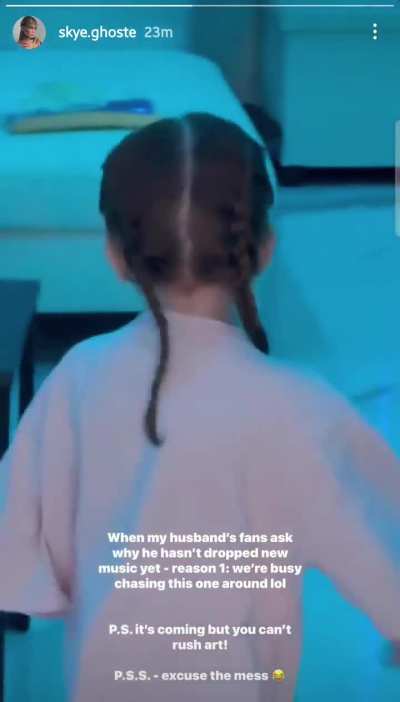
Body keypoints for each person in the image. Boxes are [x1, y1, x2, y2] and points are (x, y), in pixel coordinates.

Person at [0, 113, 399, 702]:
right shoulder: (303, 408)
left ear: (116, 255)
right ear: (263, 251)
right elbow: (382, 546)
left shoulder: (78, 376)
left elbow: (19, 552)